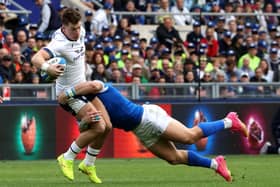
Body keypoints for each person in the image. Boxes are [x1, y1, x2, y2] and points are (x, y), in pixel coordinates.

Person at [58, 80, 249, 182]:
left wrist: (67, 94)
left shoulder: (96, 88)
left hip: (147, 116)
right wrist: (84, 121)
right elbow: (86, 127)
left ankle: (228, 121)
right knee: (173, 158)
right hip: (139, 129)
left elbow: (91, 85)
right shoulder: (87, 107)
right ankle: (216, 164)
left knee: (189, 137)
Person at [31, 8, 111, 183]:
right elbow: (36, 58)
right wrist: (47, 68)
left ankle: (88, 164)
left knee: (108, 127)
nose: (77, 31)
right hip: (69, 95)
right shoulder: (59, 43)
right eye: (73, 28)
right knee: (98, 127)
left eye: (78, 27)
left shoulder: (80, 31)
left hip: (83, 88)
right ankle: (67, 157)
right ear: (64, 27)